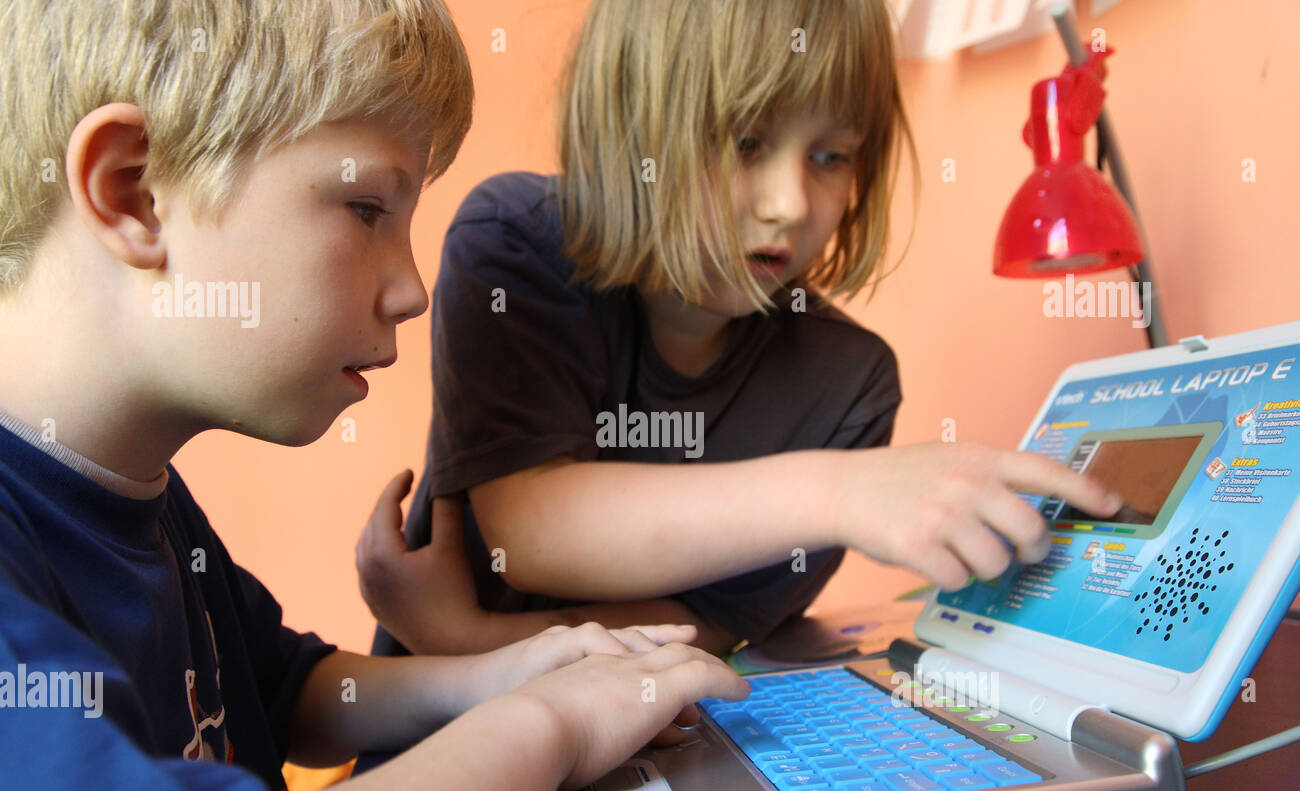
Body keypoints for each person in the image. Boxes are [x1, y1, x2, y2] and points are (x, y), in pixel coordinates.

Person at [0, 0, 746, 791]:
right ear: (135, 190)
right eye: (365, 209)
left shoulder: (141, 499)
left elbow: (292, 694)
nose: (412, 291)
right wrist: (554, 724)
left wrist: (511, 672)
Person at [358, 0, 1123, 661]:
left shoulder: (850, 386)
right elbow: (528, 532)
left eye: (830, 156)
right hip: (445, 737)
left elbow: (704, 628)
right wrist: (839, 492)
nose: (791, 202)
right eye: (747, 141)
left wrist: (461, 638)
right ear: (630, 124)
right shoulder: (515, 240)